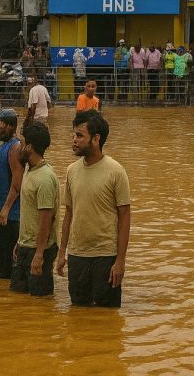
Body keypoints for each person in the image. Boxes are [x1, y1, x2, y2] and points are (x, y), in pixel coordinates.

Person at [56, 111, 131, 308]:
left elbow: (125, 218)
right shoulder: (71, 170)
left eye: (80, 135)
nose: (74, 140)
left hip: (105, 257)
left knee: (107, 317)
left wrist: (120, 261)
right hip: (77, 255)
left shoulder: (116, 171)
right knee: (78, 314)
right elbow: (68, 214)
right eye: (74, 134)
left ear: (96, 139)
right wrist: (62, 252)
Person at [11, 121, 59, 297]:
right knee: (18, 300)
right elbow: (29, 214)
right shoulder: (29, 170)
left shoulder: (45, 178)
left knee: (40, 302)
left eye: (22, 143)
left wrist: (39, 255)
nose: (18, 147)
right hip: (25, 246)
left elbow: (47, 220)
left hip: (40, 250)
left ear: (29, 147)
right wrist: (19, 242)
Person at [0, 108, 24, 280]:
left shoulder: (15, 148)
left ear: (11, 126)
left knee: (6, 270)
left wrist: (6, 208)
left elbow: (17, 182)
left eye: (0, 127)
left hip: (9, 215)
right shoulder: (3, 146)